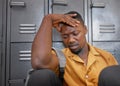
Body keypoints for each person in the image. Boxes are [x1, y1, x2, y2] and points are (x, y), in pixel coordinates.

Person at [27, 11, 118, 86]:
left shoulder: (106, 57)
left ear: (85, 29)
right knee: (40, 75)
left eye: (75, 34)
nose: (70, 40)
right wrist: (48, 19)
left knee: (111, 72)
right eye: (65, 36)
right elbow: (38, 62)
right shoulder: (60, 57)